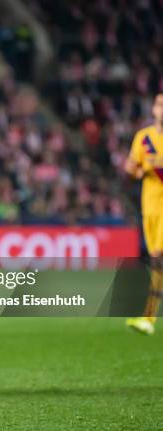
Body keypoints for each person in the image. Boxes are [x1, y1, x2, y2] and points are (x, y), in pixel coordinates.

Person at [125, 93, 163, 335]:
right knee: (156, 260)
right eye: (160, 104)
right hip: (151, 206)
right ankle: (149, 317)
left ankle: (149, 317)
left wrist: (155, 166)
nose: (162, 109)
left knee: (159, 257)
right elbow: (131, 169)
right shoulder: (143, 137)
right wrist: (137, 170)